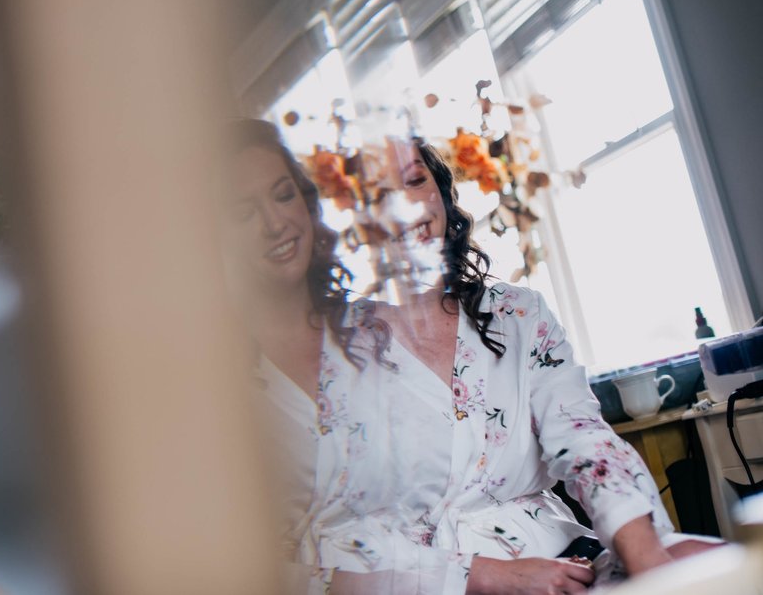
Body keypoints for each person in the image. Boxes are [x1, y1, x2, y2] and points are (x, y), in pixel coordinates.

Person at [218, 120, 716, 595]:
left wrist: (648, 556)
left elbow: (584, 440)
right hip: (430, 579)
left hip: (561, 560)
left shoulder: (519, 314)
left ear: (439, 192)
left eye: (415, 183)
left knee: (703, 562)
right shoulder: (337, 345)